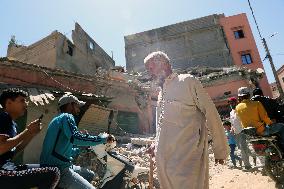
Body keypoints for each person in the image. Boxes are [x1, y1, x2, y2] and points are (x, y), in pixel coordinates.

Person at [144, 51, 229, 189]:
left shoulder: (188, 82)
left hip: (188, 164)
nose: (150, 73)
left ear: (164, 63)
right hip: (164, 165)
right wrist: (155, 144)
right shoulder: (160, 94)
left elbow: (211, 114)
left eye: (151, 68)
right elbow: (162, 126)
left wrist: (220, 149)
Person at [40, 94, 109, 189]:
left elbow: (63, 149)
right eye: (77, 106)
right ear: (70, 105)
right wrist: (102, 139)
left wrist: (80, 149)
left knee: (90, 174)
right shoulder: (66, 116)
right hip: (58, 168)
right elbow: (76, 138)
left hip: (56, 164)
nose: (79, 109)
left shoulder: (57, 119)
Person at [0, 88, 60, 189]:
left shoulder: (13, 124)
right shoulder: (2, 118)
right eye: (22, 100)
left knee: (49, 169)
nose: (26, 104)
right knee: (53, 172)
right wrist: (27, 132)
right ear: (9, 103)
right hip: (3, 173)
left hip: (8, 169)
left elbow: (12, 152)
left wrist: (31, 134)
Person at [228, 97, 253, 170]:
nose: (231, 105)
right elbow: (232, 123)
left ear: (236, 102)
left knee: (242, 148)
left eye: (232, 103)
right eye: (230, 103)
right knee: (242, 148)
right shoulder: (231, 112)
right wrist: (232, 129)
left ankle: (247, 165)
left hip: (242, 131)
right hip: (236, 133)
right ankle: (253, 155)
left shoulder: (240, 109)